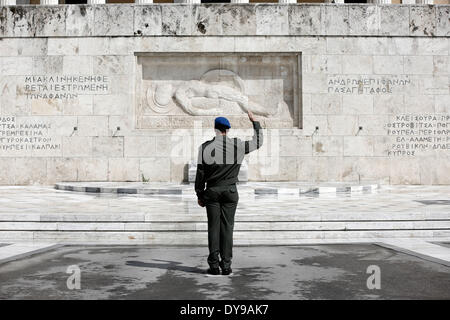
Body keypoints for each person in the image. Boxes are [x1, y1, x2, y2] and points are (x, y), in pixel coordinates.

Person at [195, 111, 263, 276]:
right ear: (228, 130)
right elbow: (258, 142)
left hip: (212, 191)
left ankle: (213, 266)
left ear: (215, 129)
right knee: (227, 228)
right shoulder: (238, 145)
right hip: (230, 191)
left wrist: (199, 194)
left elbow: (200, 174)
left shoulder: (204, 147)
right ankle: (226, 265)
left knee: (213, 228)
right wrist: (255, 122)